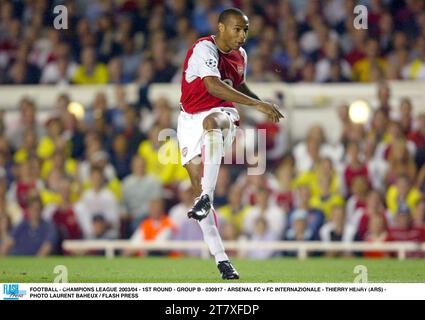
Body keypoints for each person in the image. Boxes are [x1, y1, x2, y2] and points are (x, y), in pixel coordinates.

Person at [177, 8, 284, 280]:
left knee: (213, 123)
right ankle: (223, 261)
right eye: (237, 29)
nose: (242, 35)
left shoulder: (241, 56)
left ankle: (207, 196)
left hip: (221, 112)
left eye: (246, 30)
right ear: (221, 28)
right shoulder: (204, 48)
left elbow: (238, 86)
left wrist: (261, 103)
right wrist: (259, 104)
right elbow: (212, 84)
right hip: (188, 119)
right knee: (197, 190)